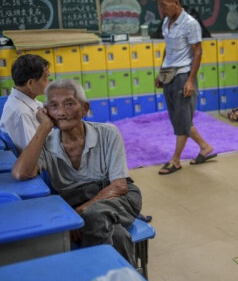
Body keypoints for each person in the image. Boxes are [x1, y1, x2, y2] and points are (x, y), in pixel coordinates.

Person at [11, 79, 142, 264]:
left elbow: (119, 186)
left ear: (84, 107)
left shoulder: (108, 133)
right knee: (117, 236)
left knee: (94, 216)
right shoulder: (47, 143)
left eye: (69, 104)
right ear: (46, 112)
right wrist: (44, 127)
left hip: (119, 198)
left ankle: (91, 276)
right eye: (54, 106)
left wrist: (77, 214)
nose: (61, 112)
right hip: (82, 204)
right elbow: (20, 173)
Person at [155, 0, 216, 175]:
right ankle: (205, 147)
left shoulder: (190, 23)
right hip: (169, 74)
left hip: (183, 75)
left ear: (176, 3)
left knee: (182, 118)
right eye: (159, 5)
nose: (161, 9)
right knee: (179, 118)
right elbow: (169, 48)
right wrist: (161, 72)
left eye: (164, 5)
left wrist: (190, 80)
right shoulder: (167, 21)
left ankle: (175, 160)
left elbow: (198, 52)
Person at [0, 54, 50, 153]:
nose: (48, 82)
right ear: (30, 83)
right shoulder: (22, 113)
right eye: (45, 79)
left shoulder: (28, 101)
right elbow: (33, 154)